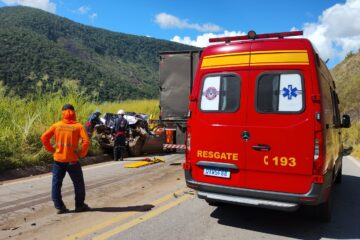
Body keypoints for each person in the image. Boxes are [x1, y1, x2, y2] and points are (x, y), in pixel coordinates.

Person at [41, 104, 91, 214]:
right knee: (78, 184)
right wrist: (81, 153)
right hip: (72, 160)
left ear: (63, 113)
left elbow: (44, 137)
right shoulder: (78, 127)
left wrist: (51, 149)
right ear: (74, 113)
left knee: (56, 184)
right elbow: (86, 141)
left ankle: (59, 207)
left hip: (58, 160)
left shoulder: (57, 125)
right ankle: (79, 205)